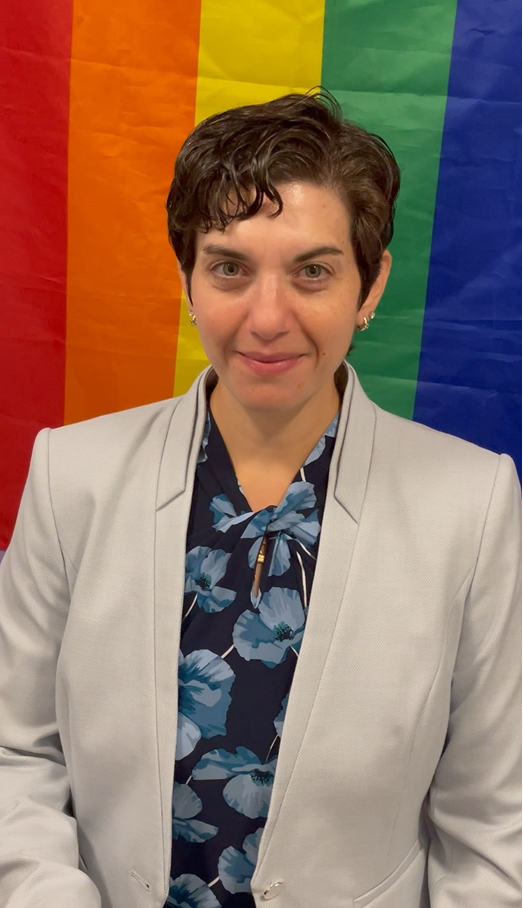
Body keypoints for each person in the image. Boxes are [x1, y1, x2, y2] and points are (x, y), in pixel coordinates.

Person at [0, 90, 520, 908]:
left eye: (312, 271)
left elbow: (496, 823)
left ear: (370, 285)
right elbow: (15, 753)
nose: (266, 318)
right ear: (187, 278)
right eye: (229, 268)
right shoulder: (74, 474)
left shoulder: (473, 503)